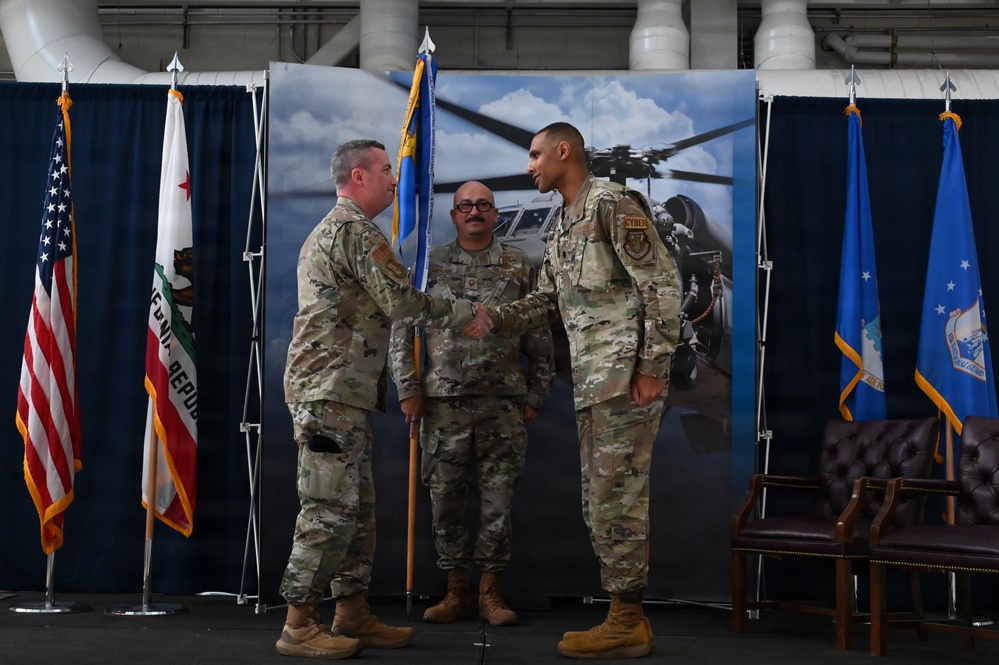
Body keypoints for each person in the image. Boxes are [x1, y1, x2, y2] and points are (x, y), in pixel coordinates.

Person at [276, 138, 494, 660]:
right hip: (328, 392)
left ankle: (351, 612)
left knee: (358, 509)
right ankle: (298, 623)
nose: (396, 180)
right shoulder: (353, 230)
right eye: (385, 170)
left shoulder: (343, 229)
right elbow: (401, 300)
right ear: (358, 176)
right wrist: (467, 314)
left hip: (342, 393)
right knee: (328, 509)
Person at [476, 122, 682, 659]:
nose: (530, 166)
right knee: (599, 502)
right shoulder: (565, 222)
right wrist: (494, 320)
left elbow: (660, 284)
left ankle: (627, 622)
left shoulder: (613, 203)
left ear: (564, 151)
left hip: (623, 379)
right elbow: (546, 299)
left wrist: (653, 366)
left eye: (536, 154)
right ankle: (624, 618)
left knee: (618, 500)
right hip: (594, 382)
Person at [389, 181, 555, 627]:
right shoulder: (430, 266)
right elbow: (403, 331)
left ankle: (491, 592)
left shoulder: (519, 264)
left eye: (483, 205)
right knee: (445, 500)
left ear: (495, 213)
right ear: (454, 215)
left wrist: (536, 394)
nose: (474, 211)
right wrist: (408, 390)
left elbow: (540, 329)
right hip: (442, 403)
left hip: (503, 402)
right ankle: (455, 589)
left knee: (498, 500)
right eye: (466, 206)